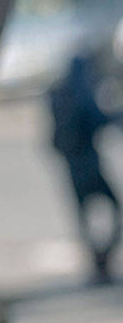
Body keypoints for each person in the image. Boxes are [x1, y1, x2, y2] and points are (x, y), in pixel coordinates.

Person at [49, 47, 121, 285]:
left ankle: (98, 261)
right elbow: (97, 119)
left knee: (87, 220)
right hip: (89, 165)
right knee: (113, 211)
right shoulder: (80, 96)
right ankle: (101, 261)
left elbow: (53, 141)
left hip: (73, 170)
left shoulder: (56, 95)